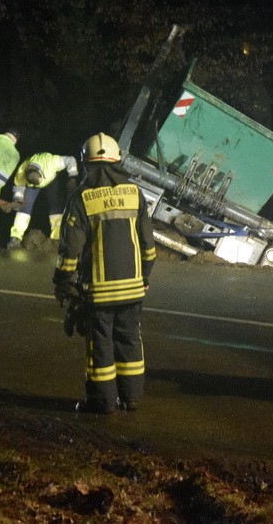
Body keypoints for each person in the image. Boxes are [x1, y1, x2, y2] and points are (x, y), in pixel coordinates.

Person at [53, 133, 156, 414]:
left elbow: (70, 249)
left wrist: (63, 280)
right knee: (130, 341)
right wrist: (144, 277)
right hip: (134, 289)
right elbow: (148, 245)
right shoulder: (135, 193)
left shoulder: (81, 198)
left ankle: (102, 403)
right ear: (118, 161)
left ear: (87, 163)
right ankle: (131, 399)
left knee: (101, 346)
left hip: (98, 292)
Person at [7, 152, 79, 249]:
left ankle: (56, 239)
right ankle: (15, 238)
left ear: (41, 174)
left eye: (38, 182)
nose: (38, 185)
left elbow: (71, 160)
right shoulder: (21, 172)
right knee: (24, 208)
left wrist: (73, 177)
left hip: (51, 180)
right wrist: (18, 199)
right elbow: (18, 187)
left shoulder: (52, 162)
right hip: (30, 185)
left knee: (56, 207)